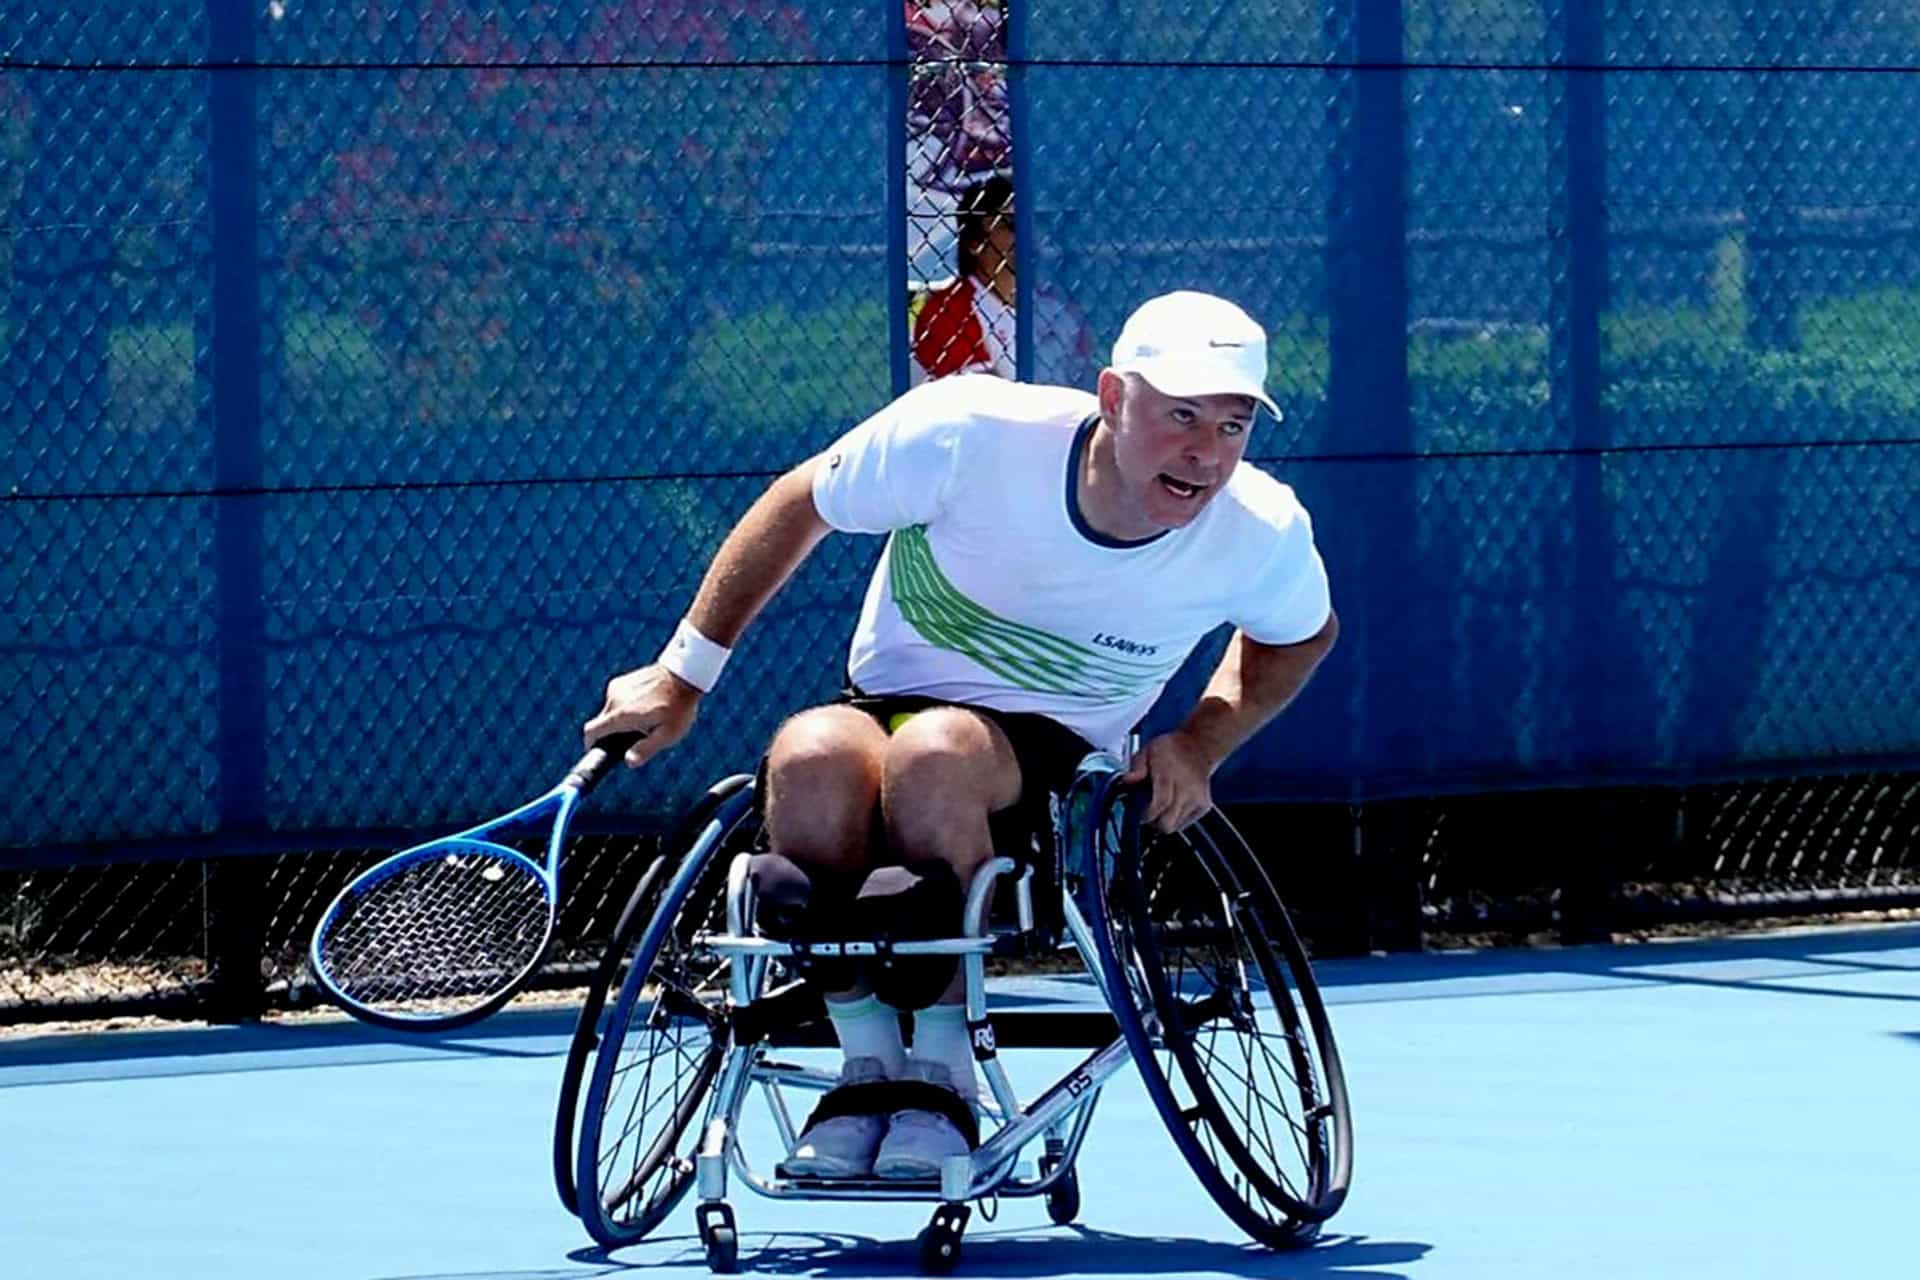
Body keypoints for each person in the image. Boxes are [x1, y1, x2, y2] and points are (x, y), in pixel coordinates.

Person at [583, 289, 1337, 1181]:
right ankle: (867, 1067)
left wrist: (1200, 743)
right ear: (1112, 397)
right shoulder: (969, 432)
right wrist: (682, 676)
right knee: (809, 753)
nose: (1205, 452)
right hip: (884, 706)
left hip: (1057, 760)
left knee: (935, 755)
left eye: (1231, 425)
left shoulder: (1259, 529)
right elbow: (800, 501)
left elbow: (1301, 635)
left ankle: (943, 1076)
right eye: (1181, 415)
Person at [912, 175, 1017, 381]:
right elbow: (978, 395)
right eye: (1010, 225)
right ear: (975, 242)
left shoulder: (1056, 307)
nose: (1027, 233)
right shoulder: (945, 312)